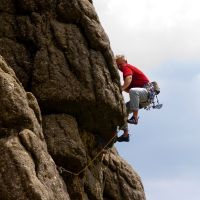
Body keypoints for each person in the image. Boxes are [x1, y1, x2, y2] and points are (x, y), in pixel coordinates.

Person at [115, 55, 151, 142]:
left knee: (133, 91)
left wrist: (121, 88)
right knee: (122, 110)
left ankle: (135, 118)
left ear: (125, 61)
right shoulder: (125, 69)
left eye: (120, 64)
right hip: (142, 100)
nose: (120, 67)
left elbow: (129, 78)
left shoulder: (126, 67)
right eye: (118, 66)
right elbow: (128, 88)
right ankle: (125, 134)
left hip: (147, 92)